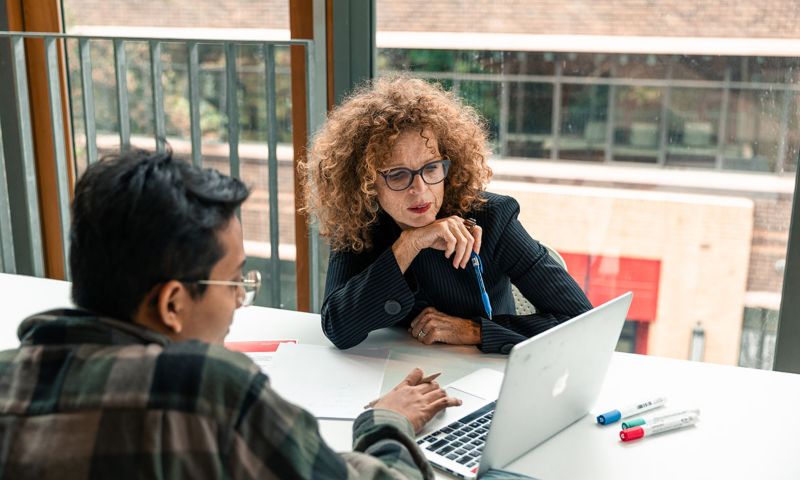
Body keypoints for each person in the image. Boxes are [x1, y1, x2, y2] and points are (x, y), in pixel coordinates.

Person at [0, 148, 461, 479]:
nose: (240, 298)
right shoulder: (208, 389)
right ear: (172, 304)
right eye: (235, 281)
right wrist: (385, 422)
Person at [302, 76, 593, 354]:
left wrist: (474, 331)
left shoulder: (493, 219)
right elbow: (337, 327)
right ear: (366, 182)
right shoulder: (360, 224)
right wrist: (409, 244)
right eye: (398, 175)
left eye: (431, 169)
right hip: (403, 378)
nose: (420, 190)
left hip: (488, 378)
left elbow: (581, 322)